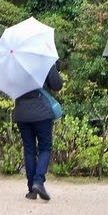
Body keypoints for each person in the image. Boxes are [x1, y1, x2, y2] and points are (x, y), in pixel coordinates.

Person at [14, 61, 63, 201]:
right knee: (45, 147)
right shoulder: (44, 61)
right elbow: (57, 85)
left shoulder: (15, 63)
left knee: (29, 149)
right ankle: (38, 181)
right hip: (41, 112)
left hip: (22, 112)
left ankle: (31, 188)